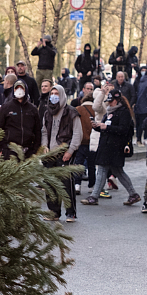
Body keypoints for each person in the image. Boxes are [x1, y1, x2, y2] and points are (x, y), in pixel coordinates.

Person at [81, 89, 141, 206]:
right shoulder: (109, 112)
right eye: (108, 101)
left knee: (103, 169)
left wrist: (106, 128)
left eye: (111, 101)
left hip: (115, 147)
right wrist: (97, 126)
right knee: (118, 171)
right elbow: (105, 126)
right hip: (106, 145)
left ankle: (94, 196)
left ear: (117, 100)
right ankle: (133, 194)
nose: (109, 103)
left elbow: (123, 130)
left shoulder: (124, 112)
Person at [40, 84, 82, 222]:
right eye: (52, 93)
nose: (53, 96)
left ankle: (71, 212)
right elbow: (44, 131)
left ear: (62, 95)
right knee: (50, 183)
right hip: (50, 153)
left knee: (66, 183)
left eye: (56, 93)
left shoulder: (71, 112)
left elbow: (77, 133)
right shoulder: (47, 113)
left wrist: (70, 150)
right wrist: (44, 146)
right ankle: (54, 212)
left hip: (65, 152)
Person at [0, 78, 40, 160]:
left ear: (25, 89)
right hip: (9, 151)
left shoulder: (32, 109)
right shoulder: (6, 107)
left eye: (21, 88)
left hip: (27, 151)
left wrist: (34, 149)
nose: (19, 90)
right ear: (13, 90)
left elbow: (37, 131)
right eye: (16, 87)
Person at [134, 67, 147, 143]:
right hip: (145, 106)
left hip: (139, 105)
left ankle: (138, 138)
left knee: (139, 123)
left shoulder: (141, 82)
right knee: (144, 123)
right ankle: (145, 138)